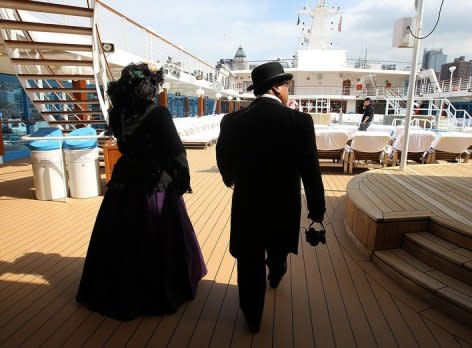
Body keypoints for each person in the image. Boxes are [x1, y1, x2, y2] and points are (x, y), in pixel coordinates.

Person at [76, 63, 207, 321]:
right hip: (153, 184)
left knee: (120, 237)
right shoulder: (158, 113)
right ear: (148, 87)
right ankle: (155, 293)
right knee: (156, 236)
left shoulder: (117, 114)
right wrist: (182, 180)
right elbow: (176, 151)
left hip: (124, 181)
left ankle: (119, 289)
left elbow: (124, 144)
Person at [216, 62, 326, 333]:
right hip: (283, 204)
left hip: (247, 204)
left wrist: (231, 179)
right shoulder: (299, 122)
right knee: (277, 249)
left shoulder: (232, 121)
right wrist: (317, 211)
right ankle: (275, 274)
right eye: (286, 84)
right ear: (277, 88)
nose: (288, 90)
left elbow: (223, 159)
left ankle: (252, 317)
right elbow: (310, 169)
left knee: (249, 260)